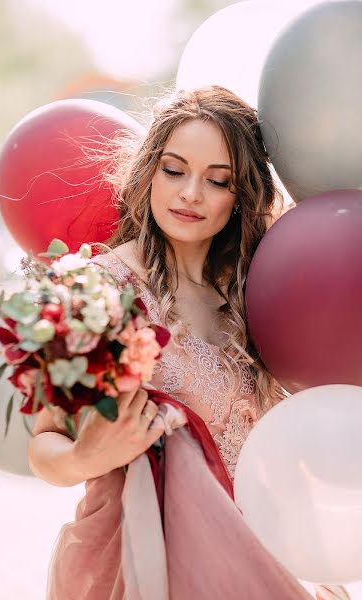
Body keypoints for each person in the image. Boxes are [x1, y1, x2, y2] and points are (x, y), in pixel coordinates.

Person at [28, 86, 315, 600]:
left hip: (259, 549)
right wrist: (88, 457)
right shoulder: (97, 290)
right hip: (146, 562)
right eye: (174, 170)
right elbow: (43, 444)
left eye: (217, 180)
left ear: (241, 194)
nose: (190, 194)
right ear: (149, 171)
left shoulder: (256, 290)